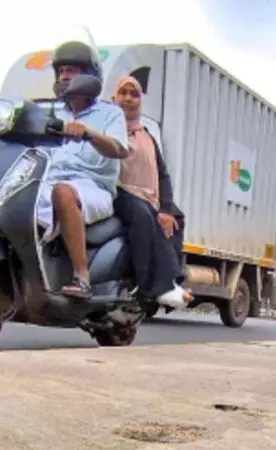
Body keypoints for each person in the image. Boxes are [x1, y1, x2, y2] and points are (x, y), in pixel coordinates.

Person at [38, 41, 129, 299]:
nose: (65, 76)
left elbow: (119, 149)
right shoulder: (52, 114)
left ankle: (82, 276)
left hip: (92, 188)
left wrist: (88, 133)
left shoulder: (110, 113)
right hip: (48, 184)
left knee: (63, 193)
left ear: (89, 75)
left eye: (72, 70)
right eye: (62, 70)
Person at [110, 74, 193, 309]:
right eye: (123, 93)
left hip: (148, 197)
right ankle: (146, 284)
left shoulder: (147, 136)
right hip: (119, 192)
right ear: (113, 98)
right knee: (144, 216)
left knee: (175, 218)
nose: (128, 99)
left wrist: (166, 208)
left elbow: (163, 175)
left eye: (134, 94)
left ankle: (173, 281)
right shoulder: (108, 131)